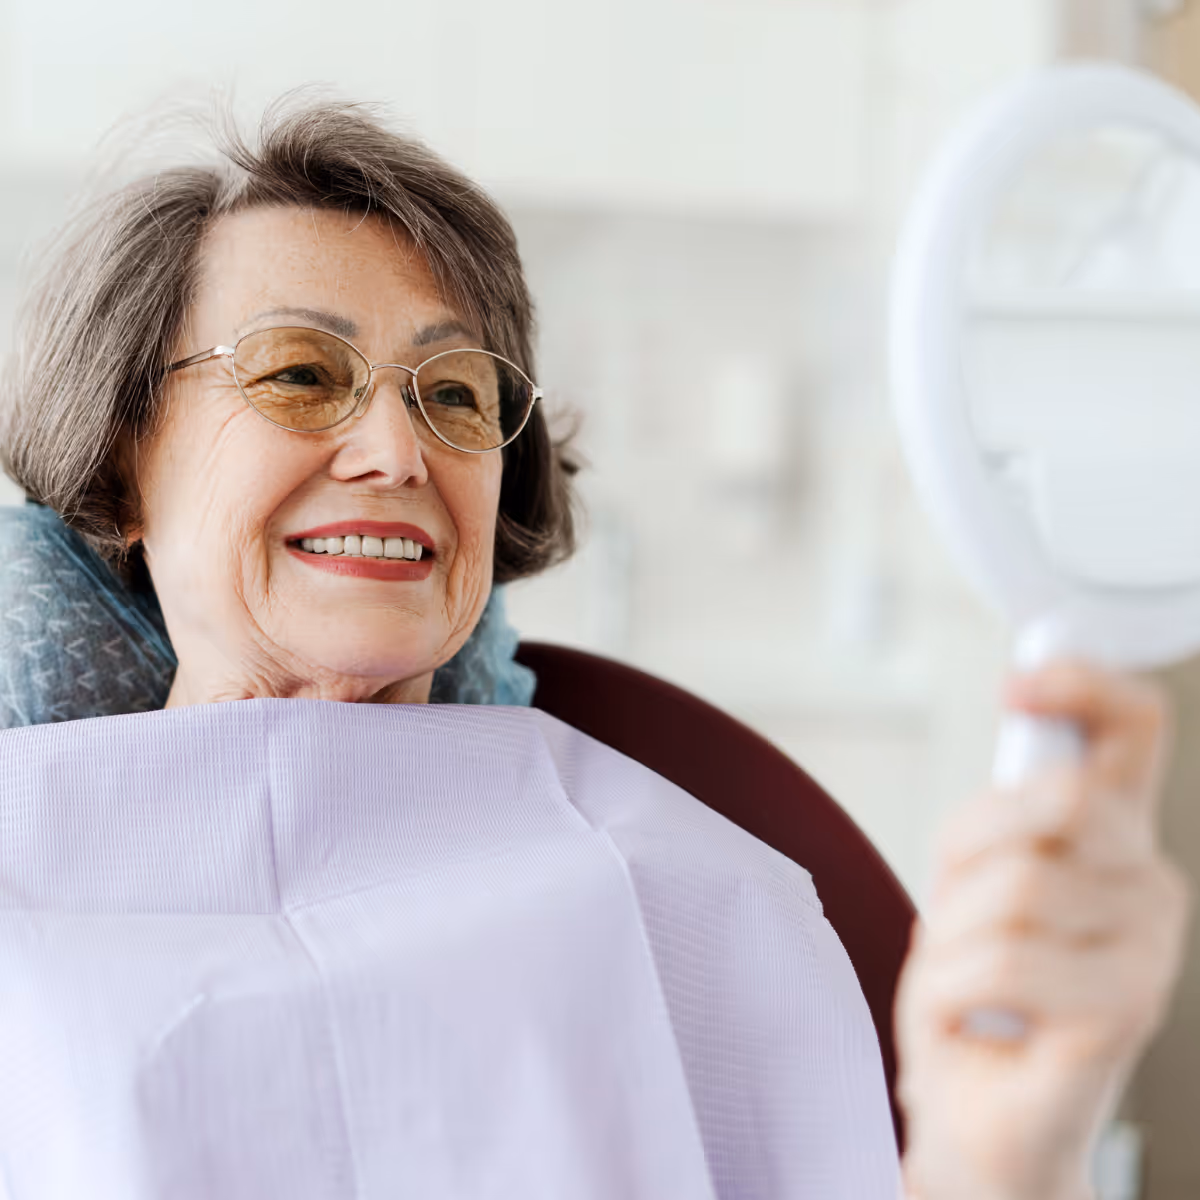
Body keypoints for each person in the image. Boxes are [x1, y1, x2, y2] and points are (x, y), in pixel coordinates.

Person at [0, 99, 1189, 1199]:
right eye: (303, 375)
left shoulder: (701, 902)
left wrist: (1007, 1158)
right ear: (120, 462)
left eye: (457, 396)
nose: (397, 452)